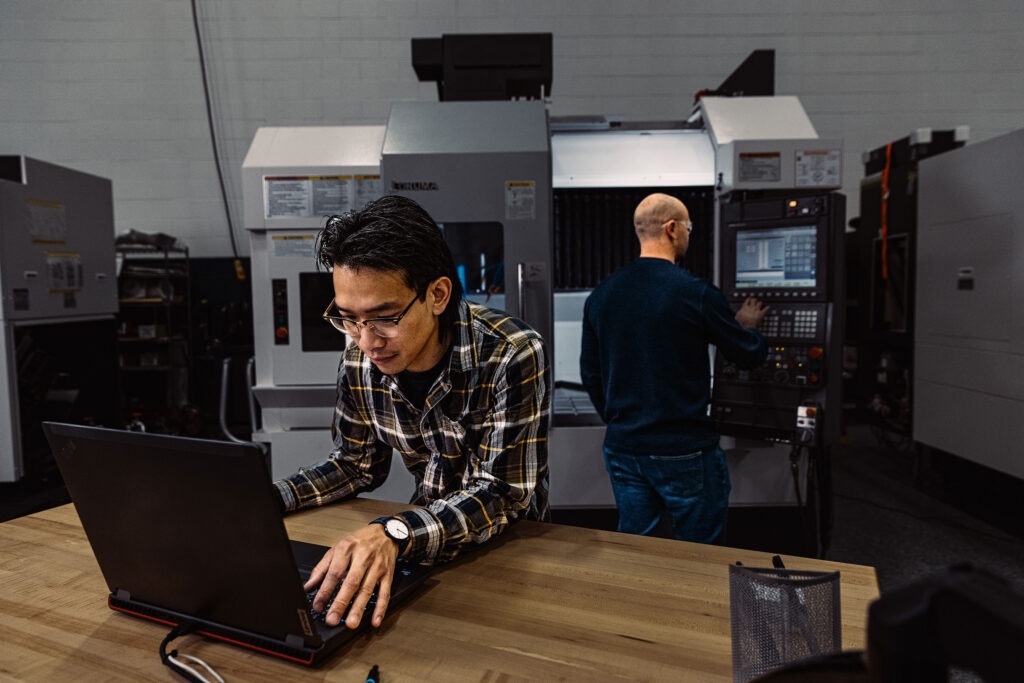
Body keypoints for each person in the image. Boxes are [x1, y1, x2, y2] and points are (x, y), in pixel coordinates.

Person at [275, 195, 550, 630]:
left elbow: (502, 493)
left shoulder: (510, 353)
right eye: (348, 318)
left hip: (511, 552)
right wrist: (271, 499)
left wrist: (393, 532)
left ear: (437, 294)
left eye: (384, 317)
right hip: (420, 547)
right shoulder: (358, 359)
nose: (366, 341)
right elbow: (355, 465)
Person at [579, 193, 768, 544]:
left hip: (624, 446)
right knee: (699, 550)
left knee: (637, 546)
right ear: (671, 229)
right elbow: (747, 354)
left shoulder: (602, 295)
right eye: (688, 228)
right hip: (685, 449)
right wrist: (748, 327)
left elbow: (590, 373)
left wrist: (623, 420)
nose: (688, 236)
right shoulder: (695, 293)